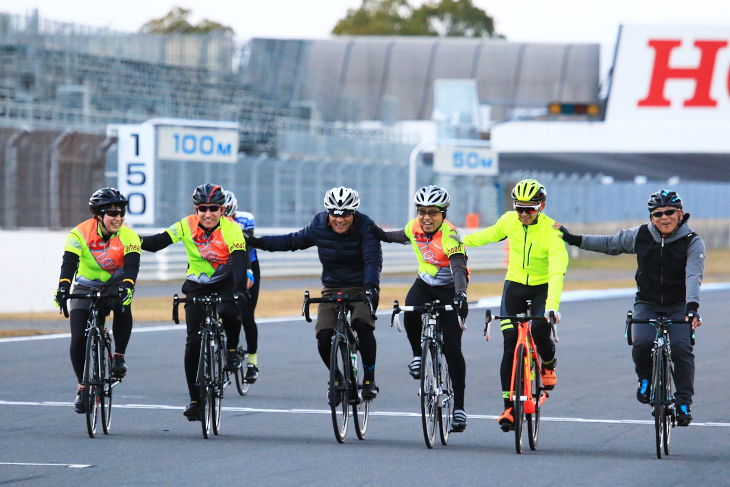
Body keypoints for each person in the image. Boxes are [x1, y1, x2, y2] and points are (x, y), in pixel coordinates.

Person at [556, 189, 705, 426]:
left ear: (681, 213)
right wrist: (574, 239)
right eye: (657, 214)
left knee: (681, 348)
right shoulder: (640, 235)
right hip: (647, 302)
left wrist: (692, 307)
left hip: (679, 305)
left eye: (669, 213)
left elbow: (694, 275)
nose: (664, 218)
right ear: (651, 217)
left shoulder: (692, 241)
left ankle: (684, 402)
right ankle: (645, 378)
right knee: (642, 342)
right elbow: (609, 244)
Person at [246, 186, 382, 401]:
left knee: (362, 325)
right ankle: (336, 377)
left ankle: (369, 380)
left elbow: (372, 260)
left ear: (353, 213)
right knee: (324, 336)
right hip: (332, 287)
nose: (339, 219)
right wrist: (256, 242)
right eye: (334, 214)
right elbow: (291, 241)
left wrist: (371, 287)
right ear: (328, 212)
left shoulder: (366, 226)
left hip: (360, 286)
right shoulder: (319, 224)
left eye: (345, 214)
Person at [457, 179, 568, 431]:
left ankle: (548, 365)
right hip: (514, 286)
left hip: (542, 287)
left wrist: (552, 306)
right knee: (510, 346)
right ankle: (508, 406)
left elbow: (557, 271)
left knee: (540, 331)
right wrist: (463, 238)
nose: (524, 214)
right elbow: (487, 235)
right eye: (519, 208)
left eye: (530, 208)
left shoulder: (552, 230)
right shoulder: (509, 220)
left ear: (541, 205)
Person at [140, 184, 249, 421]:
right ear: (195, 209)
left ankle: (231, 349)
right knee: (193, 342)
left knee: (230, 311)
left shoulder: (232, 230)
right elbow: (158, 242)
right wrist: (130, 240)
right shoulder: (186, 224)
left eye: (213, 209)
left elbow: (240, 263)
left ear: (222, 210)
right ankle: (195, 400)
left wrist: (240, 290)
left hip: (226, 281)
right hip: (197, 284)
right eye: (202, 209)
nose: (208, 214)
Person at [372, 185, 470, 432]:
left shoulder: (453, 235)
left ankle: (459, 407)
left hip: (451, 289)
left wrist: (460, 294)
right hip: (425, 283)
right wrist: (370, 231)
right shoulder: (413, 227)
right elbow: (392, 236)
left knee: (453, 348)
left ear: (444, 213)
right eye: (422, 211)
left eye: (433, 212)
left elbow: (458, 267)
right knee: (409, 311)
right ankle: (418, 355)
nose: (426, 217)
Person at [53, 188, 141, 414]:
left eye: (121, 212)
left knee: (123, 303)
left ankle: (118, 356)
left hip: (115, 282)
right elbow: (69, 262)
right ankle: (83, 386)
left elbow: (132, 265)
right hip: (86, 284)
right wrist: (63, 287)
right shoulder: (79, 233)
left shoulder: (129, 235)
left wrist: (128, 285)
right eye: (112, 213)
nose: (118, 218)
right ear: (99, 215)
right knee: (78, 334)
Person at [223, 190, 260, 383]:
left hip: (247, 263)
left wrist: (248, 271)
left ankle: (252, 362)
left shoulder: (246, 219)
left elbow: (246, 246)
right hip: (223, 266)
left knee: (246, 314)